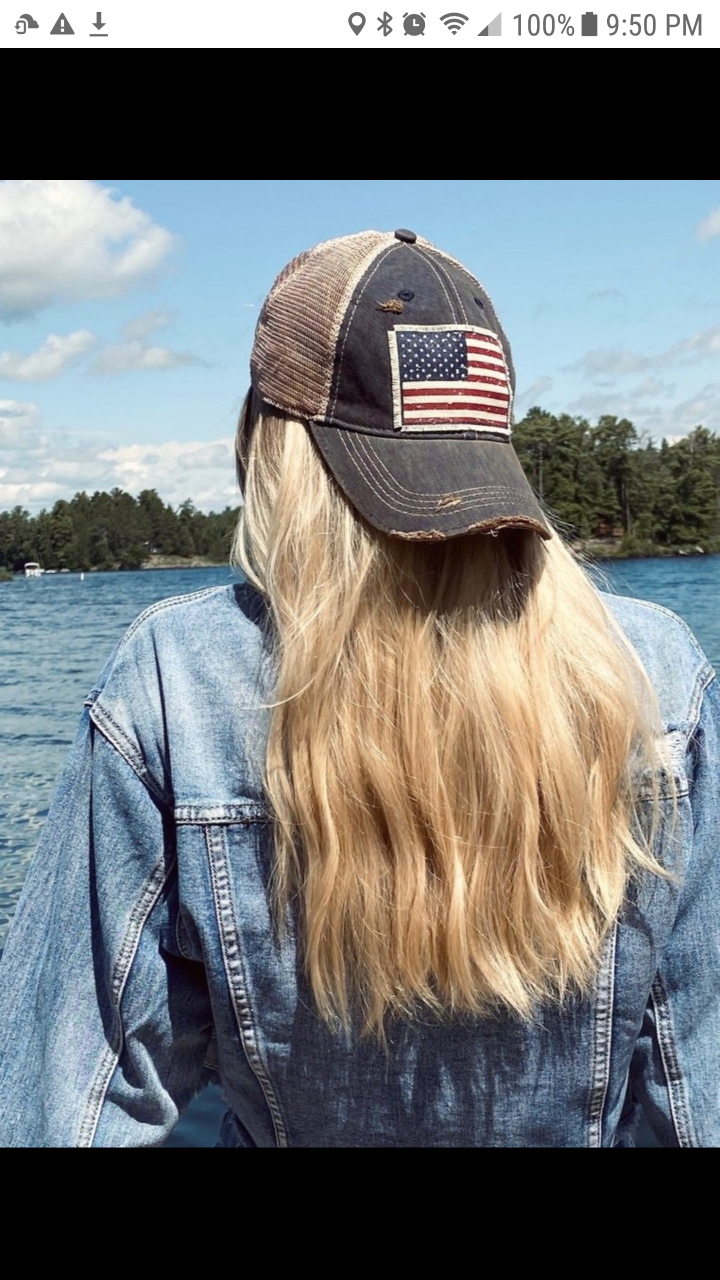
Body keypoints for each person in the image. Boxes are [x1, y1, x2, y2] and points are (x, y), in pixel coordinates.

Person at [0, 228, 717, 1148]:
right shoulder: (650, 674)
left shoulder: (179, 678)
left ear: (269, 445)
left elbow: (70, 1102)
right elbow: (695, 1091)